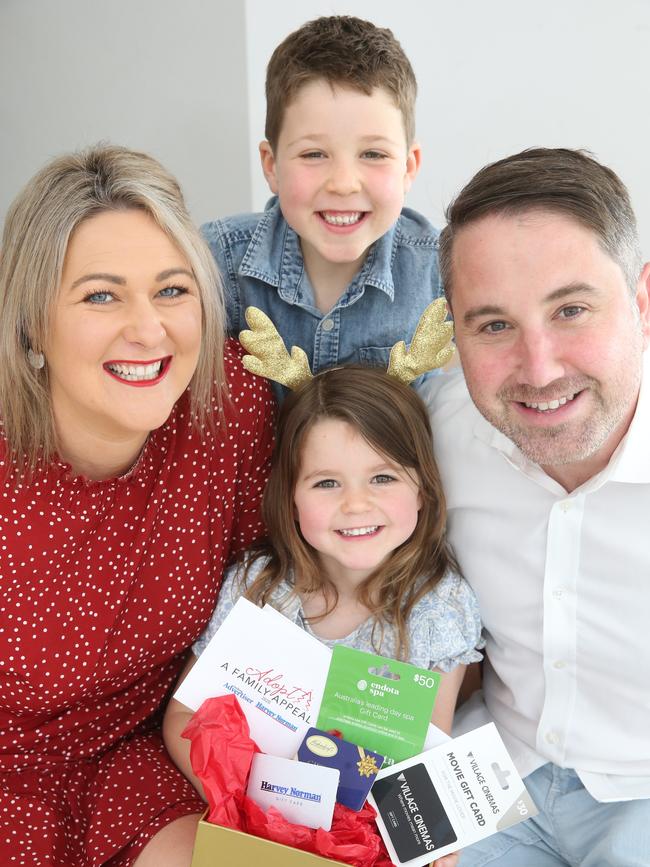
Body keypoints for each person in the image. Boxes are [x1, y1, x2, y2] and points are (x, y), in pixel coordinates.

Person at [0, 145, 275, 866]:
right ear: (32, 322)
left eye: (172, 290)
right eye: (100, 295)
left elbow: (261, 606)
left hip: (137, 759)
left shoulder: (231, 403)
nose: (149, 329)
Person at [421, 148, 650, 866]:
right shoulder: (437, 428)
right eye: (493, 326)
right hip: (491, 758)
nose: (540, 368)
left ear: (642, 304)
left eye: (571, 309)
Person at [163, 365, 483, 867]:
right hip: (245, 820)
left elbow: (427, 757)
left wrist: (432, 844)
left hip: (361, 840)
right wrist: (249, 804)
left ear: (423, 488)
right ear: (290, 498)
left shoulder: (436, 607)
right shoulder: (259, 587)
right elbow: (182, 718)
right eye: (327, 482)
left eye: (382, 477)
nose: (357, 504)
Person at [201, 15, 443, 400]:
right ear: (271, 165)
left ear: (409, 167)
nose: (343, 182)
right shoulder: (217, 261)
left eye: (373, 153)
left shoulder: (441, 269)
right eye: (314, 154)